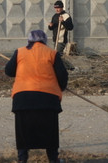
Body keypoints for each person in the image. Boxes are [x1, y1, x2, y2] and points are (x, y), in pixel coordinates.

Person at [4, 30, 68, 163]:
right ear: (44, 40)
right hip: (48, 99)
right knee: (50, 132)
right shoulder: (52, 53)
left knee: (23, 132)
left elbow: (9, 71)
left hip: (23, 98)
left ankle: (22, 159)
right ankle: (53, 158)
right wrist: (60, 88)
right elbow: (62, 75)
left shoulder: (20, 52)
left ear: (29, 40)